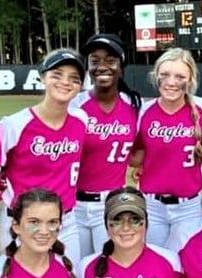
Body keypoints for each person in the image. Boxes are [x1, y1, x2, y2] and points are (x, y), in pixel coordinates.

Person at [0, 48, 88, 266]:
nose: (65, 82)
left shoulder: (81, 120)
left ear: (80, 87)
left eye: (74, 79)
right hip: (23, 222)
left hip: (65, 220)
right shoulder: (14, 124)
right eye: (57, 74)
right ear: (43, 77)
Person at [130, 47, 202, 247]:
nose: (171, 82)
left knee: (187, 267)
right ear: (155, 76)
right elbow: (138, 154)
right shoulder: (144, 110)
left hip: (190, 207)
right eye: (165, 75)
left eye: (179, 76)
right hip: (152, 205)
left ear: (191, 79)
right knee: (156, 265)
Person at [70, 34, 143, 257]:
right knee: (75, 272)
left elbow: (140, 151)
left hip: (112, 204)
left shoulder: (134, 105)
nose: (102, 66)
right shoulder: (75, 104)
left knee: (108, 269)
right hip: (73, 207)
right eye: (94, 60)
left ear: (121, 66)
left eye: (110, 60)